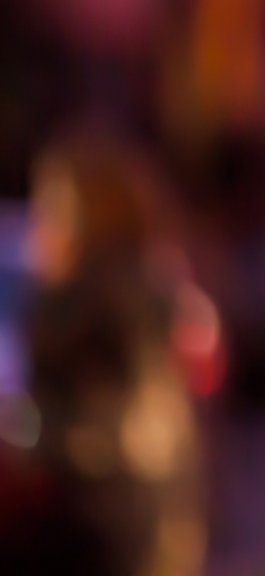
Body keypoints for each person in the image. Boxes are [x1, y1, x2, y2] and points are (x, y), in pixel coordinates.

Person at [23, 137, 206, 576]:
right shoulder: (146, 280)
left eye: (51, 209)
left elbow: (96, 421)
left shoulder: (94, 298)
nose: (40, 228)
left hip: (110, 512)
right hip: (149, 504)